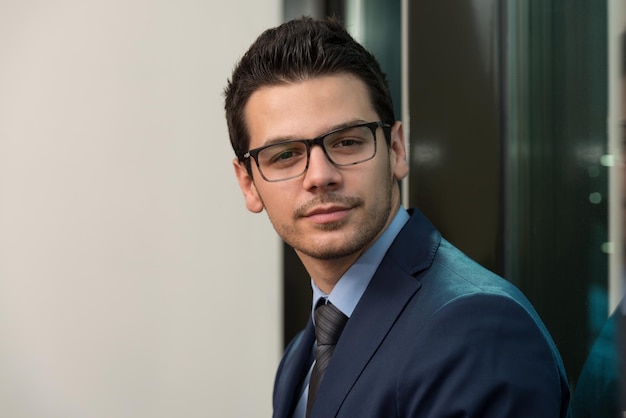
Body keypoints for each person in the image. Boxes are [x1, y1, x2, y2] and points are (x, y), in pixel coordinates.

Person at [224, 16, 571, 418]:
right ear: (249, 184)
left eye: (348, 141)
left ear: (397, 150)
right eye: (285, 155)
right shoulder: (300, 357)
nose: (320, 176)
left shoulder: (477, 327)